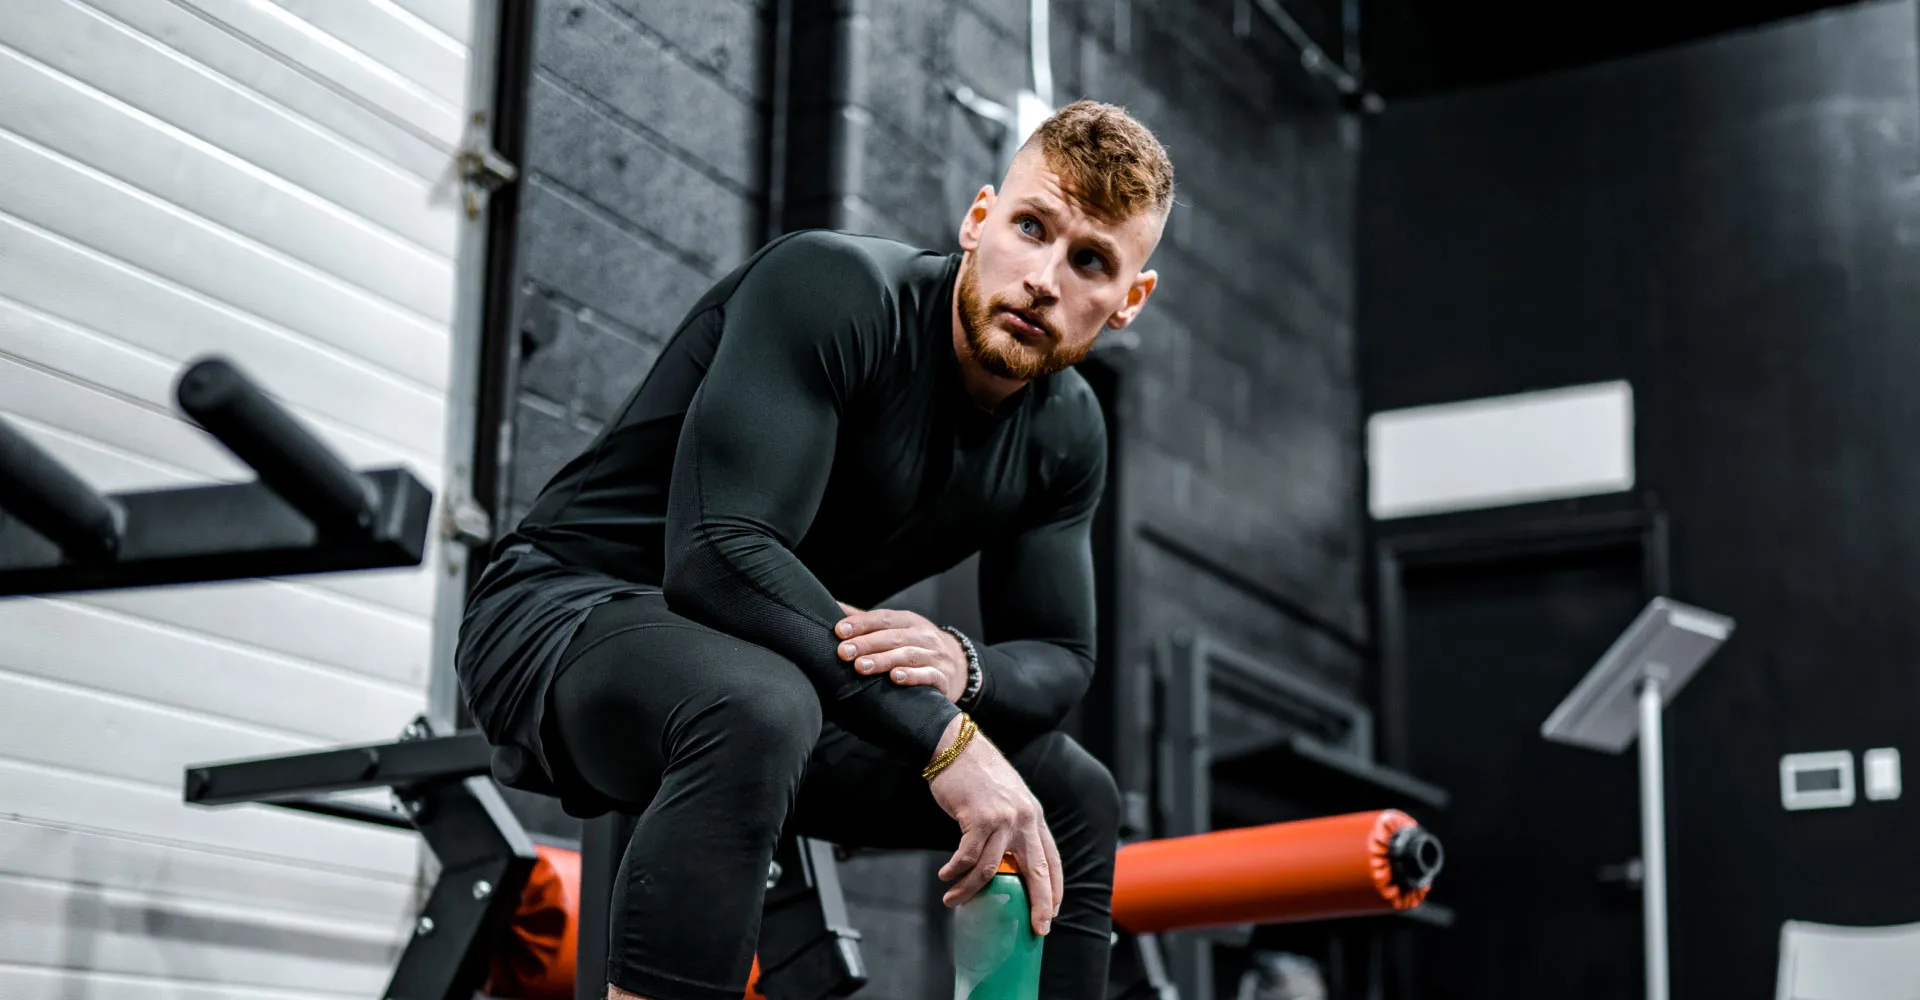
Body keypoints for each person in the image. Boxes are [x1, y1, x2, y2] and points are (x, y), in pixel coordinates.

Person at [456, 99, 1174, 1000]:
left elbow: (1062, 656)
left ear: (1128, 301)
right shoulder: (836, 290)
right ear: (979, 219)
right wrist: (946, 738)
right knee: (760, 703)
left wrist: (965, 667)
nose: (1043, 278)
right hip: (561, 616)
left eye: (1090, 261)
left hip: (784, 670)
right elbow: (717, 553)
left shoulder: (1068, 432)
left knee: (1071, 790)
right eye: (1031, 228)